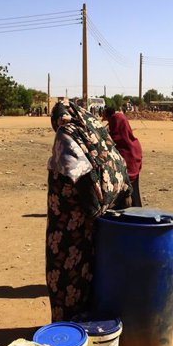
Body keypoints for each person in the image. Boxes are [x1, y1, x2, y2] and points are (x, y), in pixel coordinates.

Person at [46, 101, 131, 322]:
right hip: (91, 223)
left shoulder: (66, 135)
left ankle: (67, 329)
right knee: (87, 272)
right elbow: (118, 164)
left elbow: (81, 175)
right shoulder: (91, 131)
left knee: (64, 276)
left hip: (68, 224)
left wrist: (91, 209)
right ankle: (86, 325)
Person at [104, 107, 143, 207]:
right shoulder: (134, 143)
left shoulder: (116, 146)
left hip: (124, 184)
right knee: (135, 200)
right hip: (134, 179)